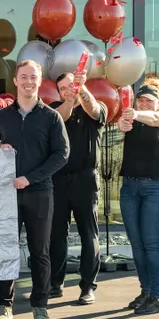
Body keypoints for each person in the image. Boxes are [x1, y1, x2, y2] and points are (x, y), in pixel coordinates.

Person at [0, 60, 68, 319]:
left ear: (39, 81)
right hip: (7, 194)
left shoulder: (51, 117)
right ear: (15, 82)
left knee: (39, 252)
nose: (29, 82)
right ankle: (4, 306)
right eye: (24, 77)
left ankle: (40, 307)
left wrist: (30, 178)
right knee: (5, 250)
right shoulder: (3, 116)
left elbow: (62, 155)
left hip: (39, 193)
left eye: (34, 77)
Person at [48, 71, 107, 306]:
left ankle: (87, 287)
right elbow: (59, 117)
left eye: (70, 85)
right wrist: (69, 99)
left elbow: (94, 109)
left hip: (85, 179)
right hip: (58, 179)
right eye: (62, 88)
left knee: (88, 234)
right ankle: (55, 283)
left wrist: (81, 91)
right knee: (56, 235)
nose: (67, 90)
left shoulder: (94, 106)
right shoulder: (54, 108)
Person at [118, 76, 159, 315]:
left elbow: (156, 118)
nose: (143, 104)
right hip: (130, 188)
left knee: (153, 245)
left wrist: (134, 114)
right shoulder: (130, 120)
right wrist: (123, 122)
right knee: (137, 245)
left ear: (157, 102)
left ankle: (157, 297)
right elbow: (123, 125)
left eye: (148, 101)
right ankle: (146, 291)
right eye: (140, 100)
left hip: (157, 187)